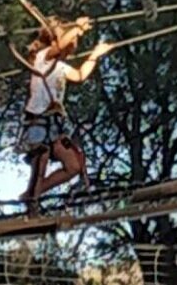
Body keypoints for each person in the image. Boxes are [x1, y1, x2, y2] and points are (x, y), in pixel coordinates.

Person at [18, 16, 112, 212]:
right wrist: (77, 28)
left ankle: (32, 194)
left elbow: (80, 75)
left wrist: (95, 54)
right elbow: (59, 46)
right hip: (38, 119)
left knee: (73, 165)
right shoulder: (43, 57)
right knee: (41, 160)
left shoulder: (61, 67)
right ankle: (32, 205)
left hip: (54, 122)